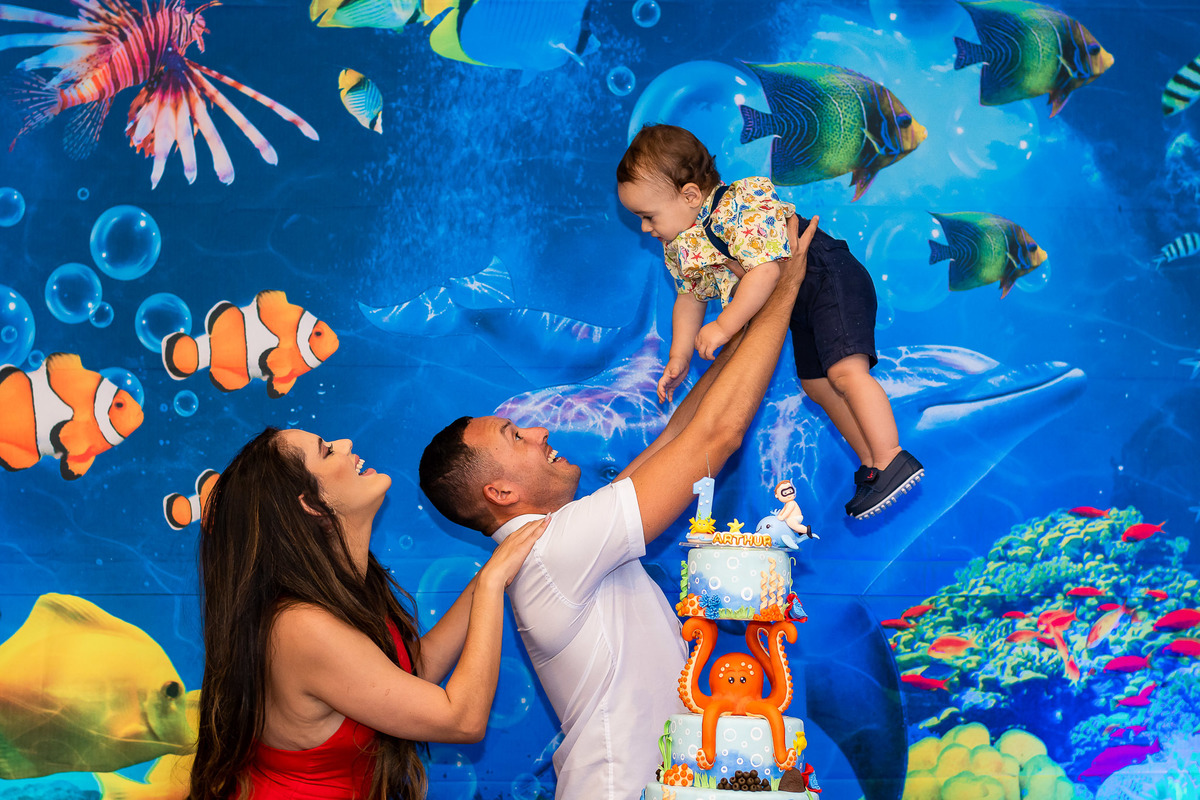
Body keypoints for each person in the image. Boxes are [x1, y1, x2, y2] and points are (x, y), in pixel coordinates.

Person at [418, 213, 817, 800]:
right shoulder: (555, 549)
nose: (538, 432)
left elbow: (675, 440)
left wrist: (747, 313)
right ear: (499, 494)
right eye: (514, 437)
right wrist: (784, 288)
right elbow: (716, 439)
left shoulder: (559, 539)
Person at [189, 427, 547, 800]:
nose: (345, 445)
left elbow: (407, 677)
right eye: (326, 451)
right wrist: (491, 583)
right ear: (310, 505)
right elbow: (462, 720)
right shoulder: (301, 625)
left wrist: (496, 568)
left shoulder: (337, 597)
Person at [616, 123, 924, 520]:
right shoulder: (683, 244)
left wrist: (724, 326)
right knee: (817, 385)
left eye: (648, 216)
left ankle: (892, 456)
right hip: (800, 302)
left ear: (690, 195)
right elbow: (689, 296)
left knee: (846, 372)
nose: (644, 227)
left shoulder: (735, 207)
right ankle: (872, 464)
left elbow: (765, 273)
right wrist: (677, 357)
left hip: (829, 278)